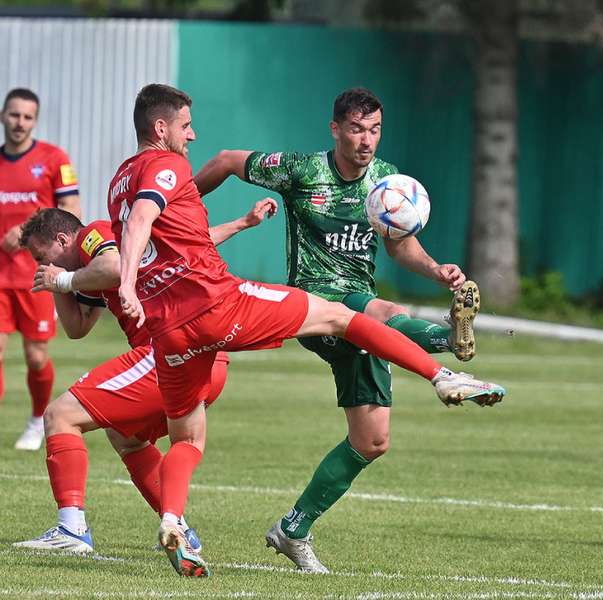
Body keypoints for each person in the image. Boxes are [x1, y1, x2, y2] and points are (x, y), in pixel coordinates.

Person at [112, 83, 505, 578]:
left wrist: (436, 270)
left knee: (371, 440)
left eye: (376, 130)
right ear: (336, 129)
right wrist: (188, 197)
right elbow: (230, 160)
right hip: (317, 300)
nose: (367, 141)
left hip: (176, 325)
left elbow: (400, 246)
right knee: (369, 312)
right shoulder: (300, 169)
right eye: (358, 130)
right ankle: (445, 350)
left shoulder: (386, 182)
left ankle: (287, 529)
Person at [11, 201, 272, 553]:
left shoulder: (94, 235)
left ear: (62, 239)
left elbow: (116, 266)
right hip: (204, 360)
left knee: (60, 415)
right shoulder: (86, 273)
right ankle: (180, 531)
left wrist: (61, 277)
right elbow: (77, 328)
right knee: (124, 436)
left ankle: (71, 530)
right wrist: (57, 285)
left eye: (44, 257)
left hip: (170, 352)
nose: (43, 266)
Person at [0, 88, 81, 450]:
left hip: (34, 276)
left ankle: (36, 421)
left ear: (35, 120)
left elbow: (71, 213)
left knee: (36, 356)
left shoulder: (53, 159)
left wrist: (30, 232)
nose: (20, 123)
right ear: (4, 116)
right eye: (14, 115)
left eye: (27, 117)